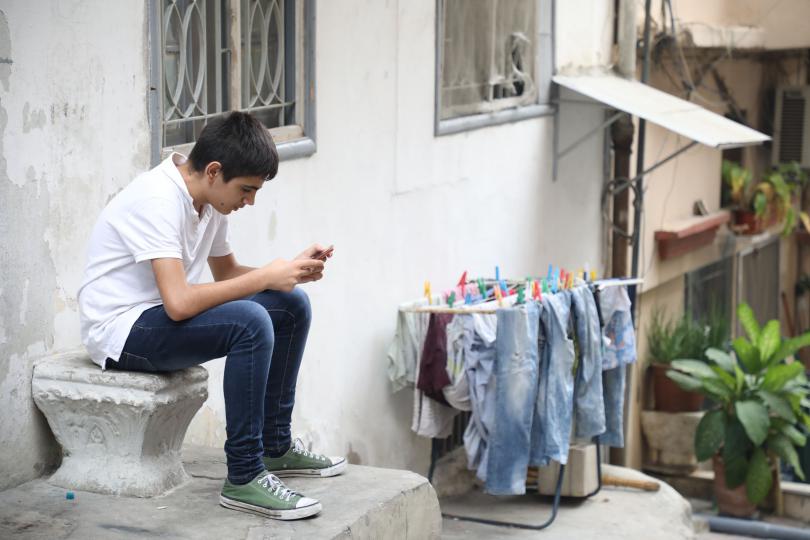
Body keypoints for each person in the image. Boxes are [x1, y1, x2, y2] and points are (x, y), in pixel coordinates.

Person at [77, 111, 344, 520]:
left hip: (160, 317)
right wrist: (267, 277)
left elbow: (227, 274)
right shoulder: (158, 199)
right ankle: (244, 476)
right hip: (122, 331)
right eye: (247, 190)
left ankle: (275, 448)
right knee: (250, 322)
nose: (250, 201)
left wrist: (285, 273)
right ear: (215, 172)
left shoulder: (209, 202)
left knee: (290, 306)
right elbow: (179, 303)